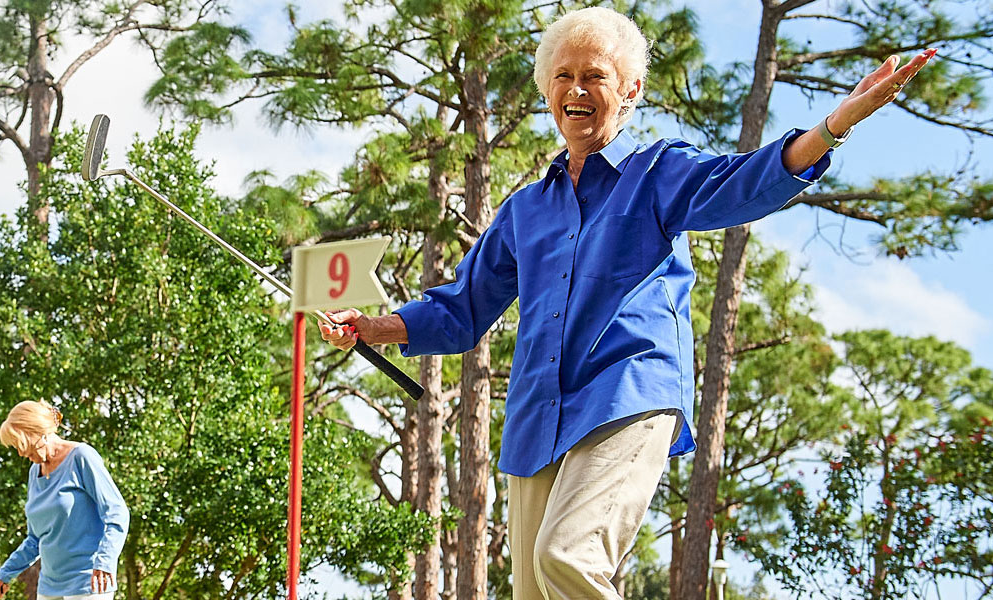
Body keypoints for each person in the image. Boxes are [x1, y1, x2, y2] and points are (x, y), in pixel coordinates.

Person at [319, 7, 933, 600]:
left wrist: (832, 127)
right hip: (538, 421)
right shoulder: (524, 212)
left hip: (626, 395)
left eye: (595, 77)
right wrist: (370, 326)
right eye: (564, 77)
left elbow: (743, 184)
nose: (577, 90)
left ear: (631, 90)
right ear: (546, 91)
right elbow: (460, 310)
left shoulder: (657, 172)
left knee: (569, 558)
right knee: (538, 593)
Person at [0, 401, 129, 600]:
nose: (21, 453)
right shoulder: (34, 472)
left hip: (89, 582)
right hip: (49, 587)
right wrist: (5, 573)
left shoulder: (81, 457)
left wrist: (105, 561)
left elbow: (117, 513)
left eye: (23, 445)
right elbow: (35, 539)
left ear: (38, 433)